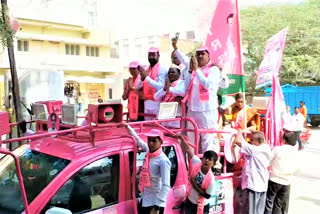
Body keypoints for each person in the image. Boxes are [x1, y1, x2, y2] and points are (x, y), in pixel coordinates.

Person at [183, 46, 229, 153]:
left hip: (207, 111)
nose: (200, 56)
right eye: (198, 54)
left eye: (203, 54)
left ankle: (207, 169)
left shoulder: (213, 69)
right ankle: (192, 167)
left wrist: (197, 70)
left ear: (208, 56)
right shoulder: (193, 70)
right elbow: (185, 88)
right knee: (190, 140)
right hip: (192, 110)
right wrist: (191, 71)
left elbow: (207, 84)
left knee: (207, 140)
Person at [122, 123, 171, 214]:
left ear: (161, 142)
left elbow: (166, 186)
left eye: (154, 141)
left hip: (155, 203)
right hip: (145, 198)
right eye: (149, 140)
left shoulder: (163, 160)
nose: (151, 143)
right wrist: (127, 127)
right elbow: (138, 140)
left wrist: (157, 207)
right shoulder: (149, 151)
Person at [232, 130, 271, 214]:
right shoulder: (266, 147)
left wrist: (240, 131)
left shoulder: (254, 150)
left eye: (251, 140)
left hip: (253, 185)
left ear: (259, 142)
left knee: (250, 211)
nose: (250, 142)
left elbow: (238, 141)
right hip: (262, 186)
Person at [176, 134, 217, 214]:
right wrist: (182, 138)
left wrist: (194, 185)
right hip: (190, 202)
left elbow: (207, 196)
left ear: (214, 164)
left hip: (200, 207)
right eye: (205, 158)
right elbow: (189, 151)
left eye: (210, 159)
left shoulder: (211, 180)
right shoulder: (198, 163)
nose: (207, 160)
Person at [264, 132, 300, 214]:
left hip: (274, 180)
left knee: (269, 202)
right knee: (278, 204)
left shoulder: (277, 149)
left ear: (284, 140)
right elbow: (297, 169)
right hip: (286, 181)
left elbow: (268, 161)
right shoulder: (295, 153)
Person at [135, 47, 167, 120]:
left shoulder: (162, 69)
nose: (151, 57)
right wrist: (142, 78)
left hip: (157, 103)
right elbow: (137, 87)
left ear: (158, 56)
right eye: (149, 55)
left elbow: (161, 87)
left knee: (156, 128)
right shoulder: (145, 69)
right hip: (147, 103)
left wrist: (147, 77)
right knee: (147, 127)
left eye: (153, 55)